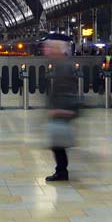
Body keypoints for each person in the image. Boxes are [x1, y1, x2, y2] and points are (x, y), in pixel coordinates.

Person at [45, 39, 80, 182]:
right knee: (58, 143)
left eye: (50, 48)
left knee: (57, 143)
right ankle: (61, 170)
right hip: (61, 109)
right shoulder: (60, 64)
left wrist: (60, 109)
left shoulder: (63, 65)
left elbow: (66, 88)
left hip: (63, 110)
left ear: (58, 50)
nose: (47, 51)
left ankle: (61, 172)